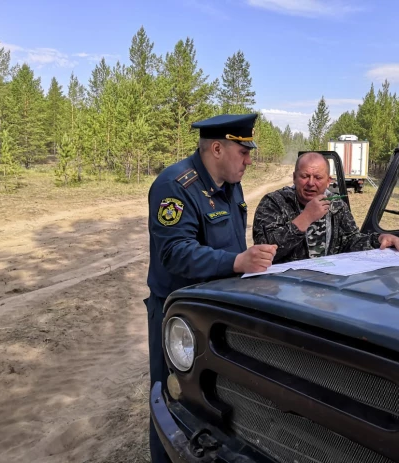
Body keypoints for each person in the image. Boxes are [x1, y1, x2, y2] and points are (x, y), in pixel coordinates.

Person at [144, 113, 277, 462]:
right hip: (180, 311)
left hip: (221, 308)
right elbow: (174, 253)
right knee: (173, 396)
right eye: (243, 151)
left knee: (217, 397)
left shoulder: (231, 182)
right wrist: (237, 263)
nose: (249, 159)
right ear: (217, 148)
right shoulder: (174, 186)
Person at [252, 151, 399, 264]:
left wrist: (379, 239)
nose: (311, 183)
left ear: (328, 181)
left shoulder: (336, 205)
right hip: (283, 287)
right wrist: (306, 218)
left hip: (326, 286)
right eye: (304, 176)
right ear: (294, 178)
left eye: (317, 177)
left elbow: (352, 241)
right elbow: (264, 251)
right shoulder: (274, 203)